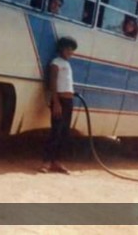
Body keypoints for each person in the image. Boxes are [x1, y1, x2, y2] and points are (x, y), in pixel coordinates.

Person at [41, 36, 78, 174]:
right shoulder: (56, 63)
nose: (70, 52)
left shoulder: (67, 64)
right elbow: (53, 82)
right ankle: (46, 162)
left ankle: (57, 162)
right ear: (61, 49)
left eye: (72, 50)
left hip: (68, 102)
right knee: (55, 131)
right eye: (68, 49)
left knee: (64, 132)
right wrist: (56, 102)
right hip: (60, 101)